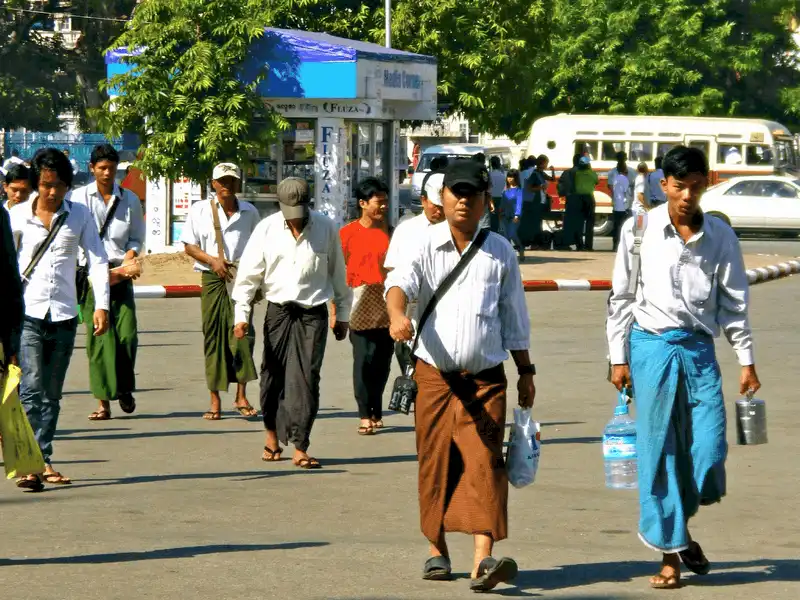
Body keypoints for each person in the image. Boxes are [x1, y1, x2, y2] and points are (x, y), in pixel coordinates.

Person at [607, 146, 761, 590]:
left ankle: (682, 527)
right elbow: (620, 299)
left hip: (698, 351)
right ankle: (671, 553)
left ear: (706, 183)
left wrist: (746, 360)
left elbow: (734, 306)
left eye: (696, 185)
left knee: (708, 453)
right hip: (650, 347)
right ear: (663, 185)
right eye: (679, 186)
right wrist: (618, 358)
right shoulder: (638, 230)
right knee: (661, 453)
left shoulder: (720, 237)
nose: (687, 195)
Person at [385, 159, 535, 592]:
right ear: (442, 197)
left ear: (486, 200)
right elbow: (400, 284)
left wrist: (526, 370)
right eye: (456, 192)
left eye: (473, 193)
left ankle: (483, 559)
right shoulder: (424, 243)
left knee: (486, 463)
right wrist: (397, 315)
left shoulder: (500, 250)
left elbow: (514, 317)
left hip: (487, 378)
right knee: (436, 461)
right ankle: (436, 549)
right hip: (435, 377)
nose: (464, 200)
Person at [231, 177, 352, 469]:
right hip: (279, 312)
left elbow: (338, 275)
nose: (295, 222)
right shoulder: (267, 229)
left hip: (313, 314)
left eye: (300, 214)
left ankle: (301, 445)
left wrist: (343, 315)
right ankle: (271, 435)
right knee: (272, 376)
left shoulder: (325, 228)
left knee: (306, 379)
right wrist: (241, 315)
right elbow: (248, 275)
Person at [9, 148, 110, 488]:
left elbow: (97, 260)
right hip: (28, 314)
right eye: (47, 185)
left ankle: (43, 457)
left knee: (52, 392)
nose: (53, 192)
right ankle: (29, 463)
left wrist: (101, 306)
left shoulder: (79, 215)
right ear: (37, 183)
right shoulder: (17, 217)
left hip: (65, 314)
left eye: (61, 186)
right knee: (31, 387)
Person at [71, 144, 145, 421]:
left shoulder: (130, 199)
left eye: (111, 168)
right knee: (100, 339)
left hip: (121, 273)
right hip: (90, 275)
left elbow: (137, 236)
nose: (106, 173)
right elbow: (73, 241)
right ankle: (103, 402)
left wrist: (129, 257)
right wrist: (100, 273)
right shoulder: (77, 199)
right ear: (91, 168)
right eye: (101, 168)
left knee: (127, 336)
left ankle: (124, 388)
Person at [181, 163, 261, 421]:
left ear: (238, 184)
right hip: (212, 277)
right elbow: (189, 246)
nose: (226, 185)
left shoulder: (250, 212)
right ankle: (214, 399)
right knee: (214, 336)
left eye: (231, 180)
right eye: (221, 181)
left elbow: (260, 248)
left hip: (241, 277)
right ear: (213, 183)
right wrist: (212, 261)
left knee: (242, 335)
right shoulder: (200, 210)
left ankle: (241, 395)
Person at [340, 177, 393, 436]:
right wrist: (335, 312)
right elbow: (337, 275)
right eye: (378, 202)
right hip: (358, 303)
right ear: (362, 203)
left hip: (387, 305)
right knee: (363, 359)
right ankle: (364, 414)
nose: (383, 207)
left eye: (385, 202)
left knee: (382, 363)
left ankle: (376, 409)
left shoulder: (392, 234)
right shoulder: (347, 234)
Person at [385, 171, 446, 373]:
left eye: (444, 206)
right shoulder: (407, 230)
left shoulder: (458, 232)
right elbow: (394, 272)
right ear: (423, 200)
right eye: (435, 205)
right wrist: (397, 312)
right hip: (412, 315)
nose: (439, 211)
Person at [573, 156, 598, 250]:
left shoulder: (576, 173)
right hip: (588, 198)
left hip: (578, 198)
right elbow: (596, 182)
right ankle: (588, 246)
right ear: (588, 164)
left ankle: (579, 246)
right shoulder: (592, 173)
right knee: (589, 223)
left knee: (579, 222)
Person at [499, 169, 524, 259]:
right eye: (508, 176)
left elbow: (519, 203)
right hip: (505, 215)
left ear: (516, 178)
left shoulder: (519, 190)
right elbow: (502, 203)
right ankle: (508, 255)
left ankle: (520, 248)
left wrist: (517, 215)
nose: (510, 179)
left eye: (512, 177)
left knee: (512, 233)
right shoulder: (505, 190)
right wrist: (500, 212)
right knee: (505, 236)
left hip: (515, 216)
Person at [610, 159, 631, 252]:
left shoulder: (616, 178)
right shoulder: (625, 179)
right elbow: (627, 192)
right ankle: (620, 246)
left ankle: (614, 245)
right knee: (623, 227)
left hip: (616, 205)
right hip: (623, 206)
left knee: (616, 226)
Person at [488, 156, 505, 233]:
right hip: (500, 198)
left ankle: (491, 231)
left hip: (490, 198)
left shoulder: (489, 175)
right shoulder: (503, 176)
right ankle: (496, 231)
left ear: (491, 164)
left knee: (490, 217)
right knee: (498, 217)